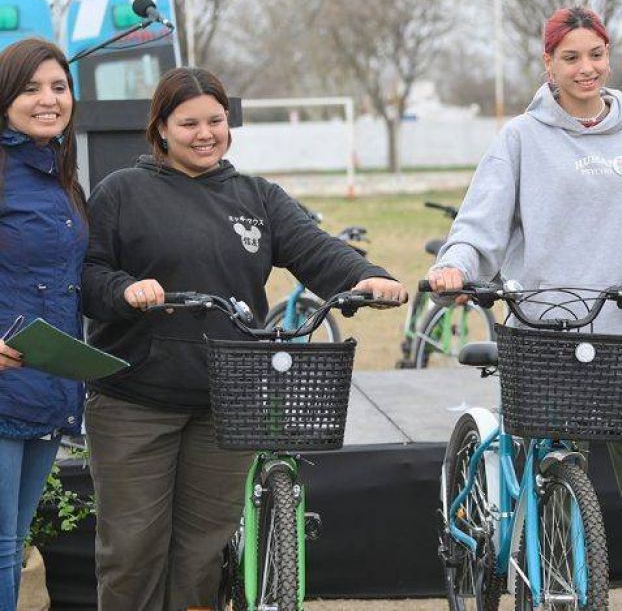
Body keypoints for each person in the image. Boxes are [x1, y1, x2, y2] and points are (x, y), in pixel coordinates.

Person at [81, 67, 406, 610]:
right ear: (160, 128)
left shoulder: (257, 196)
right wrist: (126, 289)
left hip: (225, 404)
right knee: (132, 550)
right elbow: (88, 275)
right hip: (133, 402)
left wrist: (366, 277)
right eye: (188, 123)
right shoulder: (121, 192)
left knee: (202, 553)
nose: (205, 133)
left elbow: (314, 248)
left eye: (216, 120)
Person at [428, 6, 622, 610]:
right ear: (547, 63)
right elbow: (479, 225)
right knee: (546, 484)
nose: (586, 68)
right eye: (570, 57)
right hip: (545, 342)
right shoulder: (520, 138)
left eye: (595, 55)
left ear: (609, 55)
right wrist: (456, 265)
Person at [0, 39, 87, 611]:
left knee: (12, 543)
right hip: (3, 385)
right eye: (31, 88)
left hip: (49, 384)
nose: (47, 99)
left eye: (58, 86)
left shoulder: (62, 173)